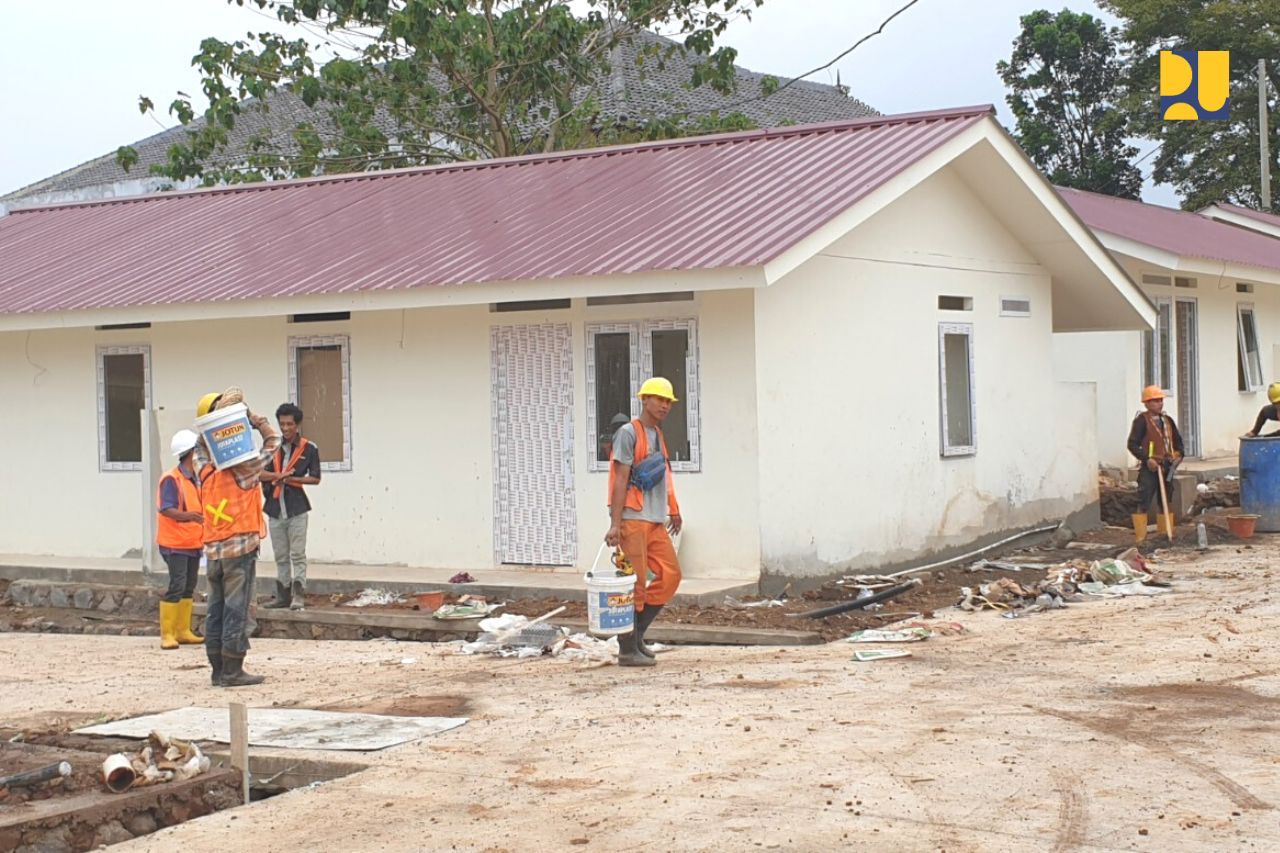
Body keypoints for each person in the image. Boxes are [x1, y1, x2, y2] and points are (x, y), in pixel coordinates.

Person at [193, 389, 280, 687]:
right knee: (237, 609)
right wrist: (256, 421)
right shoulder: (245, 470)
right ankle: (232, 670)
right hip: (239, 548)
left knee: (215, 610)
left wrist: (211, 426)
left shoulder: (204, 469)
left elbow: (200, 445)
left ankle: (217, 670)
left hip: (213, 550)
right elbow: (273, 443)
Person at [605, 377, 683, 667]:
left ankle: (637, 635)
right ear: (645, 400)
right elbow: (619, 478)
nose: (665, 406)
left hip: (654, 519)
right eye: (659, 399)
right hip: (632, 518)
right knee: (635, 585)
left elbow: (665, 475)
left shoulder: (657, 434)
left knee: (671, 575)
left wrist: (674, 509)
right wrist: (615, 523)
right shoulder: (628, 433)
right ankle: (628, 649)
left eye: (668, 402)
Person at [260, 403, 322, 611]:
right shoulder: (272, 447)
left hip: (297, 509)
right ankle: (283, 595)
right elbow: (258, 473)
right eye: (282, 424)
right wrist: (278, 476)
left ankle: (299, 595)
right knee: (280, 555)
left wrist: (291, 479)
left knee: (297, 554)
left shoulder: (309, 448)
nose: (285, 428)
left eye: (289, 424)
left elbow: (315, 478)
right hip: (275, 508)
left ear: (297, 425)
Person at [155, 429, 205, 650]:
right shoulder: (171, 479)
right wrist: (190, 516)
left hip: (192, 542)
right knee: (177, 585)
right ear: (191, 452)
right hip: (174, 543)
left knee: (188, 586)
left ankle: (183, 631)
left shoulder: (195, 478)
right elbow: (167, 509)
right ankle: (168, 634)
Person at [1126, 385, 1184, 542]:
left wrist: (1178, 456)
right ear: (1147, 403)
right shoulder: (1141, 421)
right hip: (1150, 468)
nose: (1160, 403)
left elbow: (1178, 444)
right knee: (1143, 500)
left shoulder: (1168, 421)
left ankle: (1165, 535)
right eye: (1155, 401)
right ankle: (1140, 538)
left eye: (1160, 400)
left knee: (1166, 500)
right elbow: (1132, 444)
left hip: (1167, 466)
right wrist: (1147, 459)